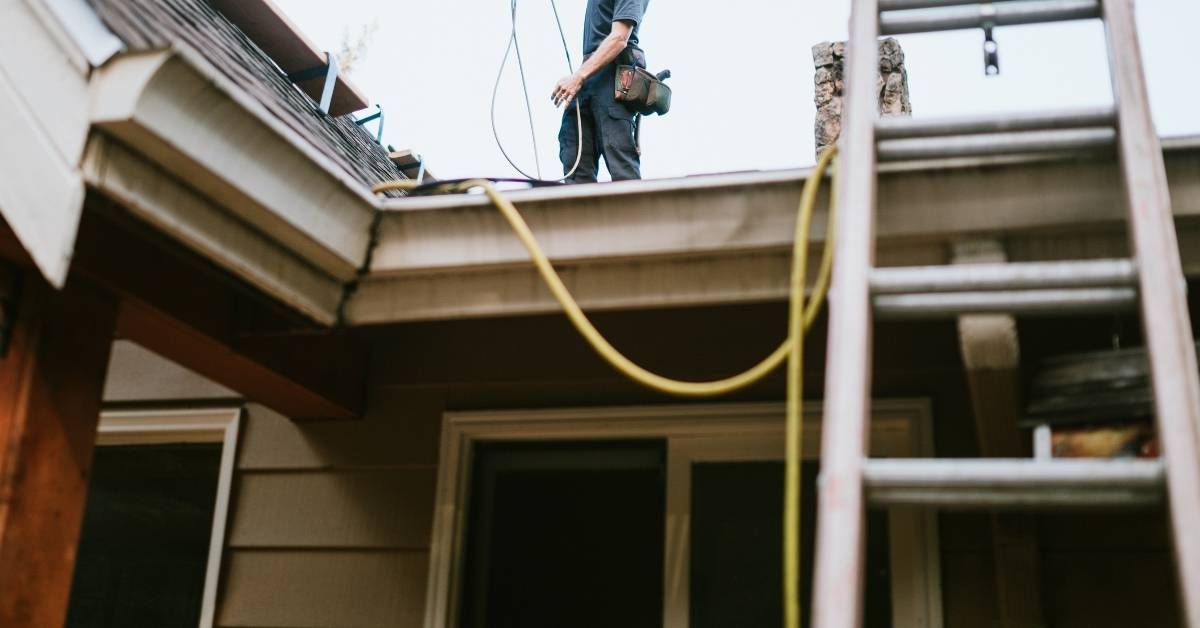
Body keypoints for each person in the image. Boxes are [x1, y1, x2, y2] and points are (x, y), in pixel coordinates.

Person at [551, 0, 648, 183]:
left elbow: (619, 38)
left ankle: (633, 210)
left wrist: (579, 76)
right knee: (574, 160)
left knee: (621, 164)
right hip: (588, 78)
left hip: (611, 78)